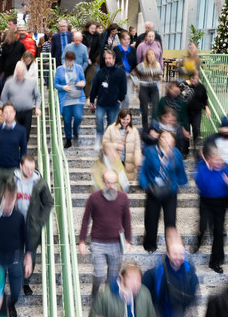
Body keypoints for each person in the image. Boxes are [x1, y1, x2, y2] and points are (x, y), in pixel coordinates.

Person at [0, 179, 33, 317]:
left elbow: (26, 237)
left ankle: (11, 304)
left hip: (15, 258)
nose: (9, 205)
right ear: (2, 198)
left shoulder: (19, 217)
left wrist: (28, 255)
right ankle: (0, 308)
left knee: (16, 291)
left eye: (12, 201)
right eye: (7, 201)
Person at [79, 169, 133, 300]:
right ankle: (95, 296)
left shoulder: (123, 198)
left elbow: (127, 219)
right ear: (103, 182)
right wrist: (82, 241)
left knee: (113, 277)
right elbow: (86, 219)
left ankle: (108, 300)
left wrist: (128, 240)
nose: (111, 186)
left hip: (116, 243)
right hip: (98, 242)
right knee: (99, 274)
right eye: (108, 182)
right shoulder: (94, 198)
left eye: (114, 183)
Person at [194, 142, 228, 273]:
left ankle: (215, 262)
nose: (219, 162)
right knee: (203, 226)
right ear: (209, 159)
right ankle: (199, 239)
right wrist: (207, 170)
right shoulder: (203, 168)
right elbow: (199, 184)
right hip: (205, 202)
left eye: (220, 159)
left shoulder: (227, 168)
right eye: (215, 159)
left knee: (218, 233)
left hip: (220, 204)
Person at [139, 130, 188, 253]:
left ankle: (170, 247)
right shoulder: (150, 151)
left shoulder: (176, 153)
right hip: (153, 190)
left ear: (173, 141)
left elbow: (180, 171)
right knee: (151, 219)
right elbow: (143, 170)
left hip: (170, 191)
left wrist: (179, 183)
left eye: (170, 138)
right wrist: (145, 185)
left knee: (170, 221)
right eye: (164, 137)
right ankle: (150, 245)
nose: (167, 140)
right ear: (160, 138)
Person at [14, 155, 54, 296]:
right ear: (21, 166)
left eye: (32, 168)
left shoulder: (40, 183)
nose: (30, 172)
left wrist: (41, 221)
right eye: (27, 168)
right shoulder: (13, 180)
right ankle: (16, 279)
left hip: (32, 225)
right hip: (16, 224)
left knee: (31, 254)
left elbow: (49, 202)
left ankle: (26, 282)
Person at [0, 102, 28, 206]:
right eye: (6, 112)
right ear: (3, 114)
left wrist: (21, 165)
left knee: (12, 198)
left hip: (13, 169)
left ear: (14, 113)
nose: (8, 114)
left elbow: (23, 149)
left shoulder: (21, 130)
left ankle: (11, 216)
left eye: (10, 112)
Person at [89, 49, 127, 151]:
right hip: (101, 102)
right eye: (106, 58)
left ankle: (106, 141)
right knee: (99, 120)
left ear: (114, 59)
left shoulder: (120, 73)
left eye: (109, 58)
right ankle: (99, 137)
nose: (107, 60)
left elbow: (124, 87)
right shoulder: (100, 72)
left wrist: (120, 98)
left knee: (111, 124)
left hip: (114, 103)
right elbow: (94, 87)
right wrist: (91, 100)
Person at [1, 63, 41, 141]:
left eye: (21, 73)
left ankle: (24, 148)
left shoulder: (31, 82)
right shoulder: (9, 82)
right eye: (18, 73)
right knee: (14, 134)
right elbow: (3, 97)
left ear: (24, 72)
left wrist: (37, 107)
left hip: (27, 112)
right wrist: (7, 109)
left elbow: (38, 96)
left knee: (26, 135)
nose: (19, 75)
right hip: (14, 113)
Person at [54, 51, 86, 148]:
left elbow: (83, 80)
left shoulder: (79, 68)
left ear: (74, 60)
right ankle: (68, 139)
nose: (69, 63)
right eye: (67, 61)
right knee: (67, 120)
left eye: (71, 61)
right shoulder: (59, 69)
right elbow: (55, 84)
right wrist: (63, 87)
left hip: (77, 97)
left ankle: (75, 130)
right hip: (65, 99)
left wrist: (81, 83)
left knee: (78, 117)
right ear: (65, 59)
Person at [102, 109, 142, 182]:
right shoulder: (111, 128)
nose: (125, 121)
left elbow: (137, 149)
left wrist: (137, 162)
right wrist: (116, 146)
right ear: (119, 118)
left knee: (125, 183)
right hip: (115, 161)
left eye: (128, 119)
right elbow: (104, 143)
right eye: (124, 119)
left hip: (129, 163)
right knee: (114, 182)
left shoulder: (134, 131)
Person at [155, 81, 191, 157]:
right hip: (164, 124)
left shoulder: (182, 101)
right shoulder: (163, 100)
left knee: (182, 133)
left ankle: (181, 153)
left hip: (177, 124)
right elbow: (158, 114)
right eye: (174, 91)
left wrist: (186, 129)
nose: (175, 93)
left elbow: (184, 116)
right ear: (169, 89)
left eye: (177, 92)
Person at [135, 49, 163, 130]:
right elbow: (133, 75)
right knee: (145, 110)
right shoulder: (142, 65)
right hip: (144, 88)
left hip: (154, 88)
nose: (151, 56)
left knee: (155, 109)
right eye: (149, 55)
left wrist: (158, 77)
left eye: (152, 54)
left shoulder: (157, 65)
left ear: (155, 56)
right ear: (146, 57)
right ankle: (145, 128)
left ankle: (153, 127)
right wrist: (138, 83)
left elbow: (159, 77)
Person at [185, 72, 210, 150]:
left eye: (195, 78)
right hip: (186, 111)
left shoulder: (201, 87)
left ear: (199, 78)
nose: (194, 80)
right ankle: (186, 148)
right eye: (192, 78)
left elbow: (205, 99)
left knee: (196, 129)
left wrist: (206, 108)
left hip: (196, 111)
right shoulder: (186, 86)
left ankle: (195, 147)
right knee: (186, 130)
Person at [114, 31, 137, 111]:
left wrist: (135, 79)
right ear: (121, 40)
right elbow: (113, 62)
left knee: (127, 97)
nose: (127, 41)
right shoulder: (116, 49)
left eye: (128, 39)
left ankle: (123, 113)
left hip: (129, 76)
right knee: (117, 95)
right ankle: (115, 113)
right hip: (118, 75)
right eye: (125, 39)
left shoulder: (133, 50)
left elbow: (135, 64)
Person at [82, 21, 102, 96]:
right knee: (82, 78)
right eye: (91, 28)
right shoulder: (83, 35)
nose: (93, 30)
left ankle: (87, 96)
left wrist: (92, 58)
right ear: (87, 28)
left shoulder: (97, 36)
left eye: (94, 28)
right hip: (83, 60)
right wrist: (86, 58)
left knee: (89, 79)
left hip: (93, 60)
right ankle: (81, 95)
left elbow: (99, 48)